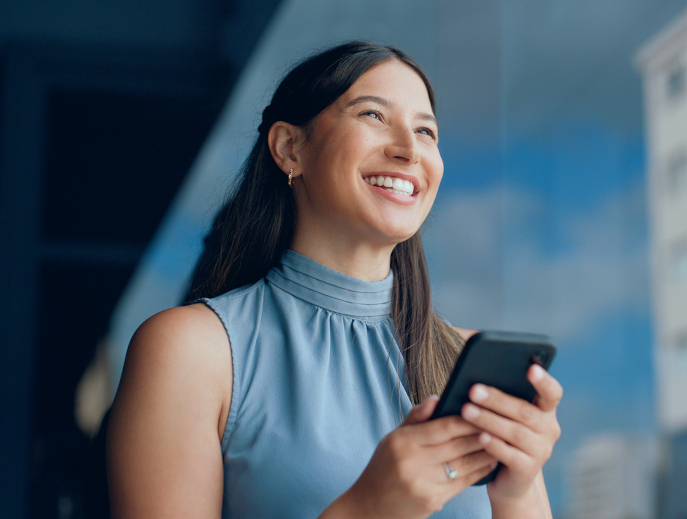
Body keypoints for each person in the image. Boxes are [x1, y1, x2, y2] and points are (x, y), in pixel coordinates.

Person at [106, 41, 563, 519]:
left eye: (426, 131)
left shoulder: (463, 363)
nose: (409, 150)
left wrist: (517, 491)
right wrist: (367, 509)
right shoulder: (193, 351)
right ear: (289, 149)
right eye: (372, 115)